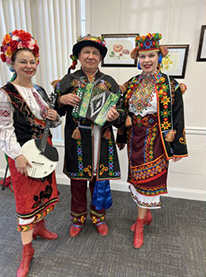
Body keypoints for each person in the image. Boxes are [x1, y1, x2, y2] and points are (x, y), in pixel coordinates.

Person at [0, 29, 62, 277]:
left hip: (44, 153)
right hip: (23, 157)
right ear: (11, 62)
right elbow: (4, 130)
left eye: (32, 61)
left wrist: (55, 118)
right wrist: (18, 156)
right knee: (25, 206)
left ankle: (40, 227)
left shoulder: (40, 92)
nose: (29, 66)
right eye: (22, 61)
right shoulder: (5, 94)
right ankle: (27, 253)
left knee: (43, 197)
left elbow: (50, 123)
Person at [116, 32, 187, 249]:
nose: (146, 60)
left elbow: (178, 115)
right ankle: (145, 216)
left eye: (151, 56)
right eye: (143, 56)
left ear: (159, 57)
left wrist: (176, 145)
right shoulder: (130, 84)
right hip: (135, 138)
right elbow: (121, 108)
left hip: (158, 140)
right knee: (137, 180)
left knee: (149, 183)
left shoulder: (170, 85)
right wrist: (124, 120)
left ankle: (139, 223)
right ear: (138, 59)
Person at [54, 35, 125, 237]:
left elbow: (122, 115)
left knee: (99, 179)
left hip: (101, 139)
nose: (91, 56)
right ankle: (77, 218)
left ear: (100, 58)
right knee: (77, 181)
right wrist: (62, 99)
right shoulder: (67, 81)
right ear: (78, 56)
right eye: (86, 52)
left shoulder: (110, 82)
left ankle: (98, 217)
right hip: (77, 139)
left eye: (95, 53)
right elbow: (55, 112)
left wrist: (116, 115)